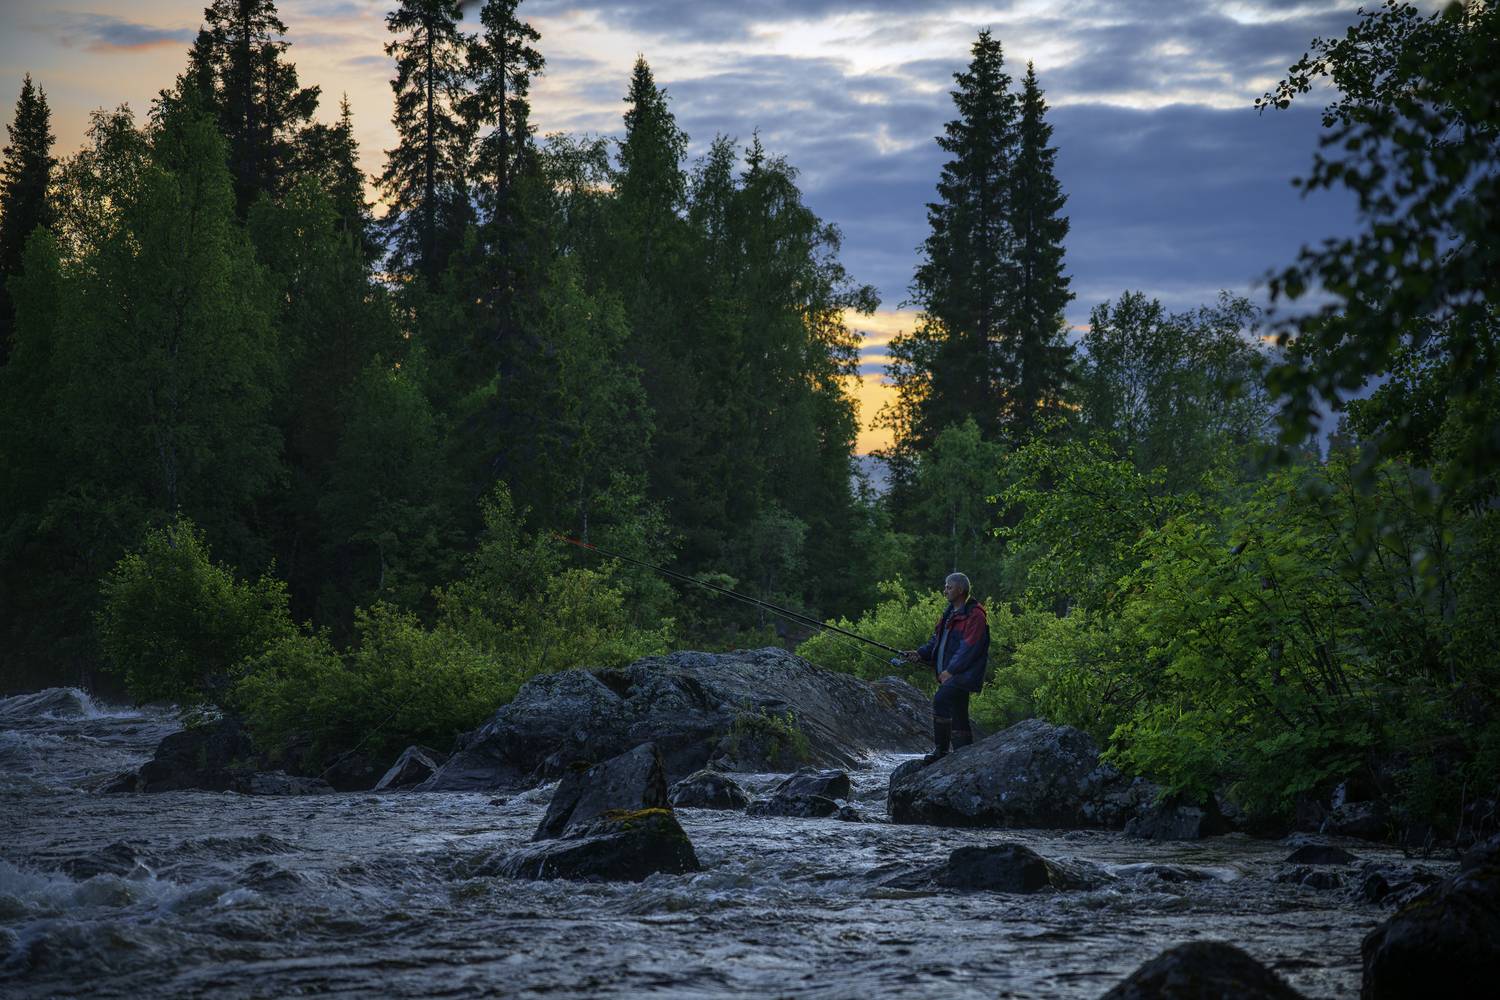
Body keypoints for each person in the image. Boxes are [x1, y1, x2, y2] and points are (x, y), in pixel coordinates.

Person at [902, 572, 989, 762]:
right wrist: (919, 653)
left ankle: (941, 752)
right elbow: (936, 641)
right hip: (952, 674)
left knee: (941, 700)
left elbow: (969, 648)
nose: (945, 591)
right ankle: (964, 755)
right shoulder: (949, 613)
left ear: (961, 589)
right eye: (946, 587)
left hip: (962, 675)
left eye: (949, 587)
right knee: (959, 713)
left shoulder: (975, 616)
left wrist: (950, 671)